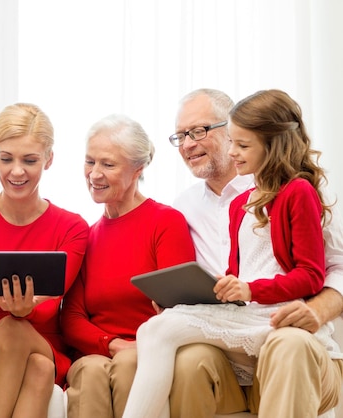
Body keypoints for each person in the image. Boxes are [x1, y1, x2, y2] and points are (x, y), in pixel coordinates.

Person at [122, 89, 343, 418]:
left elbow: (316, 273)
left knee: (286, 346)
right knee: (160, 333)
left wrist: (261, 293)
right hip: (241, 320)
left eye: (199, 131)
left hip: (278, 318)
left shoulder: (300, 191)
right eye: (181, 136)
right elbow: (234, 274)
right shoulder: (220, 205)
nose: (188, 144)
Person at [0, 102, 89, 418]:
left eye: (30, 160)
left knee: (15, 328)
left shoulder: (72, 228)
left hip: (42, 341)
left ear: (48, 159)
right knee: (35, 364)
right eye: (6, 158)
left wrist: (20, 308)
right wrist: (5, 303)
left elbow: (51, 306)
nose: (17, 171)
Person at [59, 114, 196, 418]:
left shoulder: (165, 222)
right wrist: (111, 344)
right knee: (89, 371)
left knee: (128, 365)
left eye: (108, 165)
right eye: (89, 162)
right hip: (100, 351)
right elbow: (72, 316)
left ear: (138, 169)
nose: (94, 174)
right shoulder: (87, 235)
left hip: (149, 350)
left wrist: (133, 347)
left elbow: (179, 306)